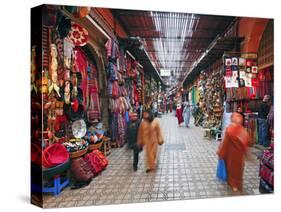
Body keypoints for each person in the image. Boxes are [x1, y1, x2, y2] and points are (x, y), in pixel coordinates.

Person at [217, 112, 250, 193]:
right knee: (239, 171)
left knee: (231, 171)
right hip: (240, 158)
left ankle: (234, 186)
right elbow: (246, 144)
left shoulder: (229, 130)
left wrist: (220, 154)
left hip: (230, 157)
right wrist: (247, 155)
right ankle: (237, 185)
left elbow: (224, 144)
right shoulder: (243, 131)